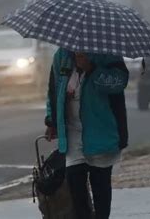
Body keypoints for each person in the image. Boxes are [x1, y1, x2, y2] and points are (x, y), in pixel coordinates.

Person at [45, 48, 129, 219]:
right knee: (75, 186)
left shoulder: (108, 54)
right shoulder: (61, 56)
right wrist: (51, 120)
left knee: (100, 187)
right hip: (72, 133)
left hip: (101, 132)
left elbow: (119, 83)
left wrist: (92, 69)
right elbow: (53, 91)